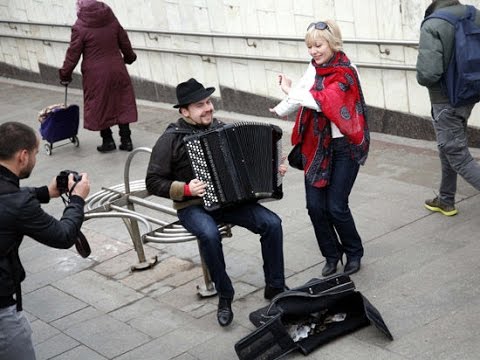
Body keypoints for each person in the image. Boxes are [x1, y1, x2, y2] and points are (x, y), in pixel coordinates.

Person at [146, 78, 288, 327]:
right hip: (193, 207)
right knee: (210, 235)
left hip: (230, 202)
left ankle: (275, 287)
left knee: (272, 223)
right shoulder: (170, 139)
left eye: (208, 102)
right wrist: (186, 188)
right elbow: (153, 181)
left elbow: (248, 164)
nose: (208, 108)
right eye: (199, 105)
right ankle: (225, 295)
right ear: (185, 111)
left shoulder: (223, 129)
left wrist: (275, 167)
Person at [270, 20, 369, 277]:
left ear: (332, 42)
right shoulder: (314, 68)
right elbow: (303, 93)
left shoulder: (347, 71)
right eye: (310, 46)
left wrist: (291, 91)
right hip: (317, 146)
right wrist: (281, 108)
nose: (313, 51)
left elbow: (322, 101)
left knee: (336, 205)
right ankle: (331, 255)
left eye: (318, 45)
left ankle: (354, 252)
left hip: (344, 146)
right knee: (315, 206)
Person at [0, 122, 90, 360]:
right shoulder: (18, 204)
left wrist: (45, 192)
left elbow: (9, 196)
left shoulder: (13, 196)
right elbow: (63, 236)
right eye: (36, 153)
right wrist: (77, 200)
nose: (35, 159)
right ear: (23, 156)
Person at [416, 0, 480, 216]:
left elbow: (428, 73)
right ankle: (446, 199)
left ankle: (446, 199)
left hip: (444, 100)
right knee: (447, 147)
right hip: (469, 93)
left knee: (457, 154)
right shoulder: (473, 14)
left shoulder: (433, 23)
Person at [59, 0, 138, 153]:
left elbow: (72, 54)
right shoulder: (110, 18)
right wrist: (129, 57)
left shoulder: (80, 27)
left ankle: (108, 140)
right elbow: (124, 40)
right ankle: (126, 140)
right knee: (121, 102)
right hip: (117, 69)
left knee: (101, 104)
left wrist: (65, 74)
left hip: (95, 74)